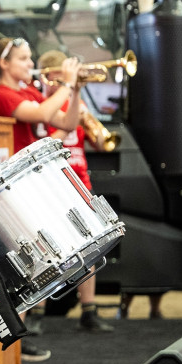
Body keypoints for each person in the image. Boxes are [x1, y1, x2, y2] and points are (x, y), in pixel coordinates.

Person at [0, 37, 85, 361]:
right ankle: (13, 342)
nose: (30, 64)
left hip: (28, 185)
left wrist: (75, 90)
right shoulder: (0, 95)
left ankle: (17, 340)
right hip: (9, 190)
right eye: (24, 59)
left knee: (31, 263)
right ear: (4, 64)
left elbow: (67, 123)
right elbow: (39, 112)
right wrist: (66, 84)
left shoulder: (29, 91)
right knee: (21, 264)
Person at [32, 49, 114, 333]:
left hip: (80, 180)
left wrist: (89, 123)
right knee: (45, 246)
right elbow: (38, 146)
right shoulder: (41, 107)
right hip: (50, 182)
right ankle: (37, 313)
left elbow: (102, 145)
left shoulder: (74, 103)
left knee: (91, 244)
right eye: (55, 79)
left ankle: (89, 311)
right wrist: (70, 121)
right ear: (45, 77)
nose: (59, 84)